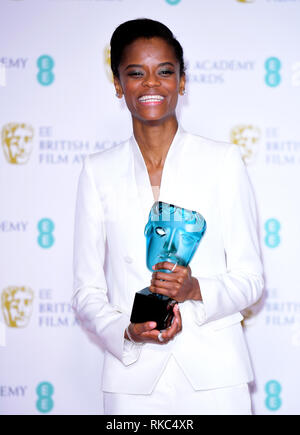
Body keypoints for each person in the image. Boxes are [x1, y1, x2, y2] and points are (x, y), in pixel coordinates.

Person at [72, 18, 264, 415]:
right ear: (117, 83)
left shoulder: (223, 161)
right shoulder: (97, 171)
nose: (151, 84)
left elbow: (251, 280)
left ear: (182, 80)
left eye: (164, 72)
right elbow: (86, 292)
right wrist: (126, 331)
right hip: (133, 379)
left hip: (215, 376)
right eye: (135, 73)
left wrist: (194, 289)